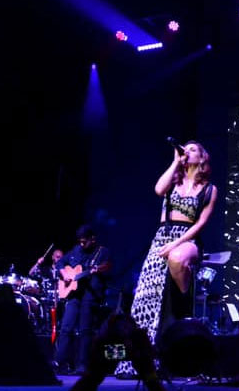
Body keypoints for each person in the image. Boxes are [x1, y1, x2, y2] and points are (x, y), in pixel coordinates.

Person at [115, 140, 218, 378]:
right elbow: (158, 190)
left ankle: (184, 299)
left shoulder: (210, 189)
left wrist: (175, 243)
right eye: (185, 149)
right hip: (162, 236)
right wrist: (175, 162)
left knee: (177, 256)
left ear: (203, 157)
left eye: (193, 149)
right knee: (144, 299)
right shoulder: (174, 181)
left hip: (188, 238)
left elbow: (201, 224)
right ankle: (140, 360)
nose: (187, 151)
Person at [55, 225, 112, 375]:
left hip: (90, 294)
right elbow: (60, 263)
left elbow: (107, 268)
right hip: (74, 294)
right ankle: (60, 363)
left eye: (84, 242)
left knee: (85, 329)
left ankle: (82, 365)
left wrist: (95, 270)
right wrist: (64, 275)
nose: (81, 244)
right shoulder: (76, 250)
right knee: (66, 327)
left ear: (92, 239)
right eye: (80, 241)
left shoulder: (102, 252)